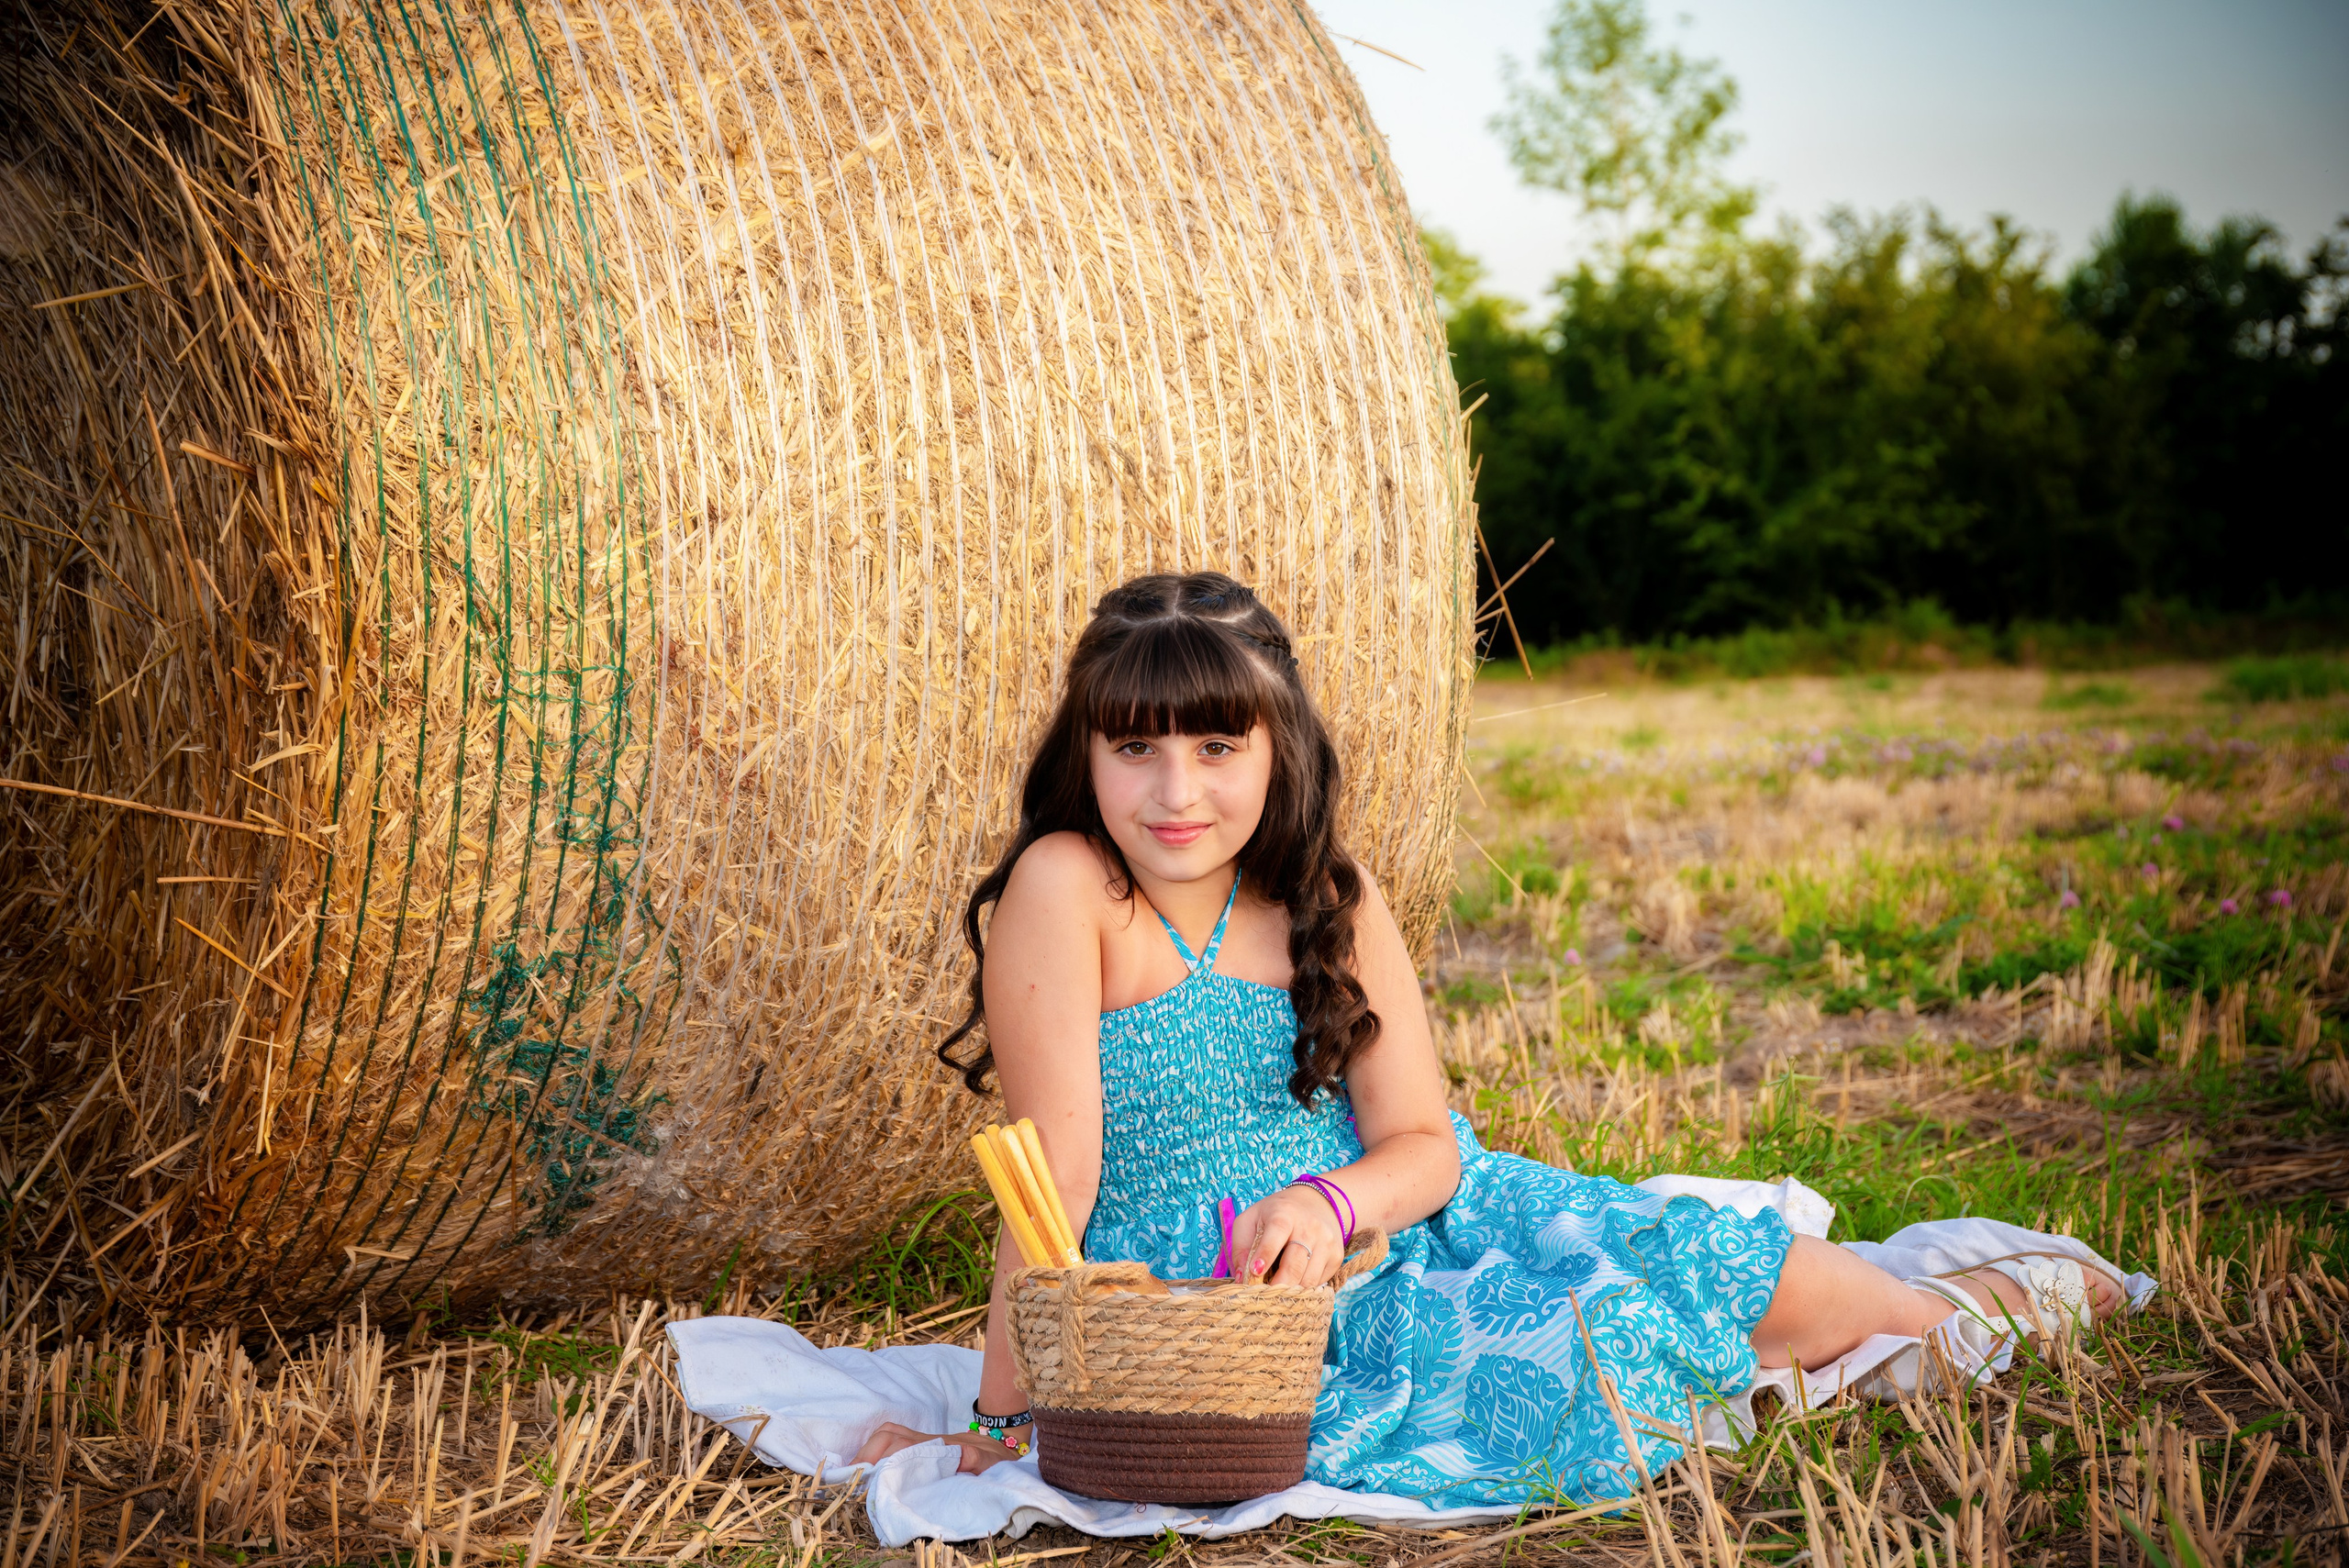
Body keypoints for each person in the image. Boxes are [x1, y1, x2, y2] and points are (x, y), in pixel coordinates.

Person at [857, 572, 2123, 1505]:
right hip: (1223, 1315)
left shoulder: (1324, 893)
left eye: (1216, 745)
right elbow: (1054, 1185)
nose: (1175, 790)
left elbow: (1424, 1143)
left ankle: (1965, 1304)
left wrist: (1332, 1202)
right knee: (1596, 1350)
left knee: (1742, 1278)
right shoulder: (1070, 885)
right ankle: (1914, 1315)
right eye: (1135, 746)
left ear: (1279, 746)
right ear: (1086, 751)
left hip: (1388, 1226)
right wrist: (1003, 1426)